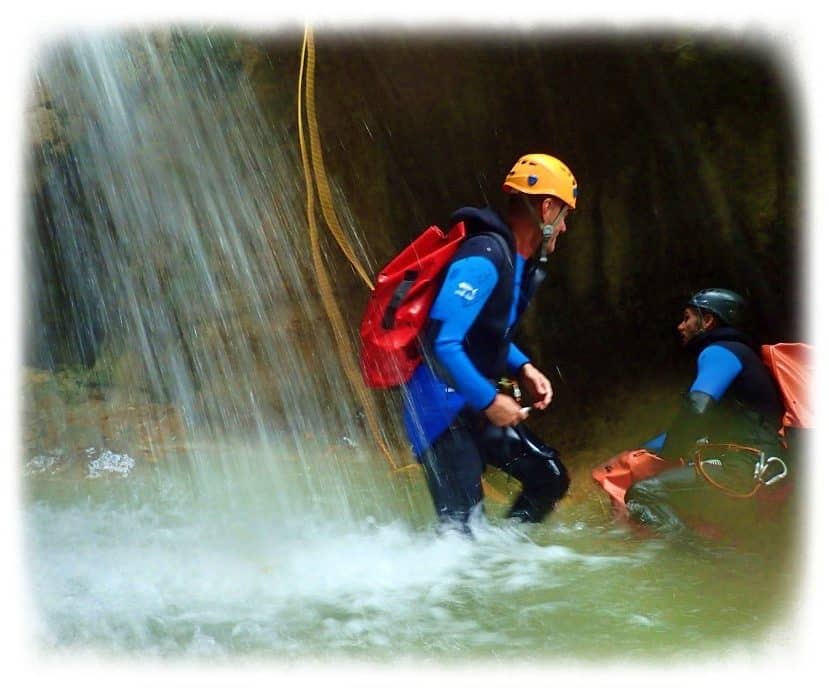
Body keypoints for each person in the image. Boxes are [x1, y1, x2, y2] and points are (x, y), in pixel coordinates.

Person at [401, 153, 577, 530]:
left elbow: (485, 334)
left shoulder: (517, 263)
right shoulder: (484, 257)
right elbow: (442, 342)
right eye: (564, 215)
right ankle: (479, 572)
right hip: (439, 411)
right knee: (462, 536)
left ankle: (504, 563)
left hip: (473, 403)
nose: (564, 228)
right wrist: (489, 400)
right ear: (547, 209)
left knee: (549, 479)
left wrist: (524, 366)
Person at [624, 288, 788, 535]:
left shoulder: (719, 351)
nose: (681, 326)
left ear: (708, 320)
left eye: (687, 318)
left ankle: (686, 563)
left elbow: (697, 407)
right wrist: (648, 449)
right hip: (761, 466)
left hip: (742, 468)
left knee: (644, 492)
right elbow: (704, 423)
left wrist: (671, 452)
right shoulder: (743, 356)